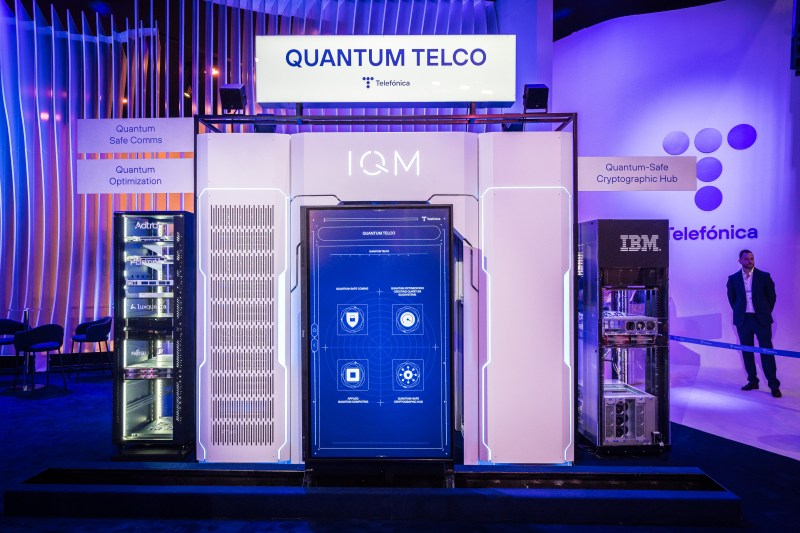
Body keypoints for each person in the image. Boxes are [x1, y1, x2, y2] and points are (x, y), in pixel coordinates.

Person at [726, 249, 781, 397]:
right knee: (747, 351)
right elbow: (732, 299)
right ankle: (752, 381)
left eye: (752, 258)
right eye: (746, 259)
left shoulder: (764, 276)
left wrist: (764, 311)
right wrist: (740, 312)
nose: (750, 261)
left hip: (761, 319)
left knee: (766, 352)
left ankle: (773, 385)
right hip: (743, 320)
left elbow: (772, 297)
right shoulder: (733, 279)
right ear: (740, 261)